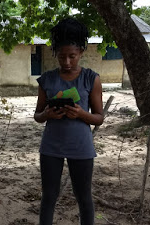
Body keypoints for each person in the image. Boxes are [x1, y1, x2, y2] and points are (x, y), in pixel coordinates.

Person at [34, 18, 104, 225]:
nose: (66, 62)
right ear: (55, 53)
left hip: (81, 146)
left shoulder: (91, 78)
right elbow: (37, 116)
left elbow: (99, 118)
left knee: (83, 197)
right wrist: (47, 115)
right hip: (51, 147)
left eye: (72, 56)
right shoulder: (46, 79)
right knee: (49, 197)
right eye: (62, 56)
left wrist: (82, 114)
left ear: (81, 52)